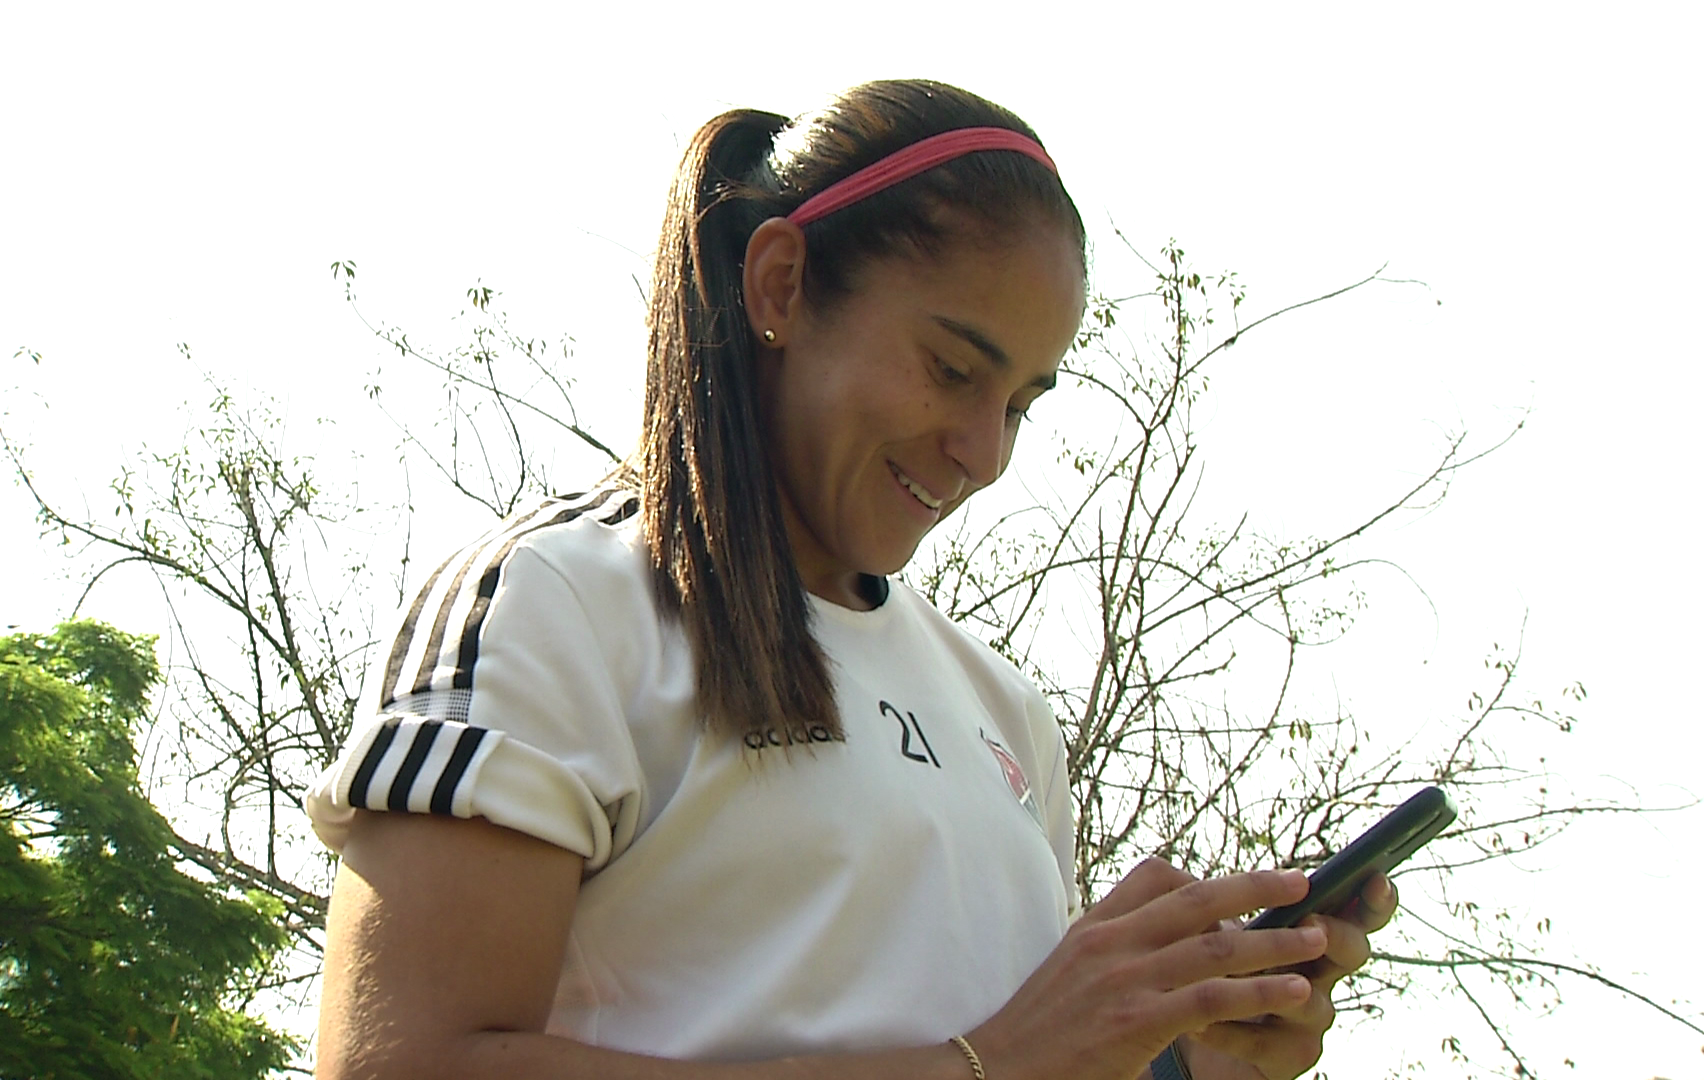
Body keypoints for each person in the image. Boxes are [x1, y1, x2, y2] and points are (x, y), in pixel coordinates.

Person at [305, 79, 1397, 1080]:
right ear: (781, 284)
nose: (985, 449)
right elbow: (396, 1065)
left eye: (1019, 404)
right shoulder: (559, 600)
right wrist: (987, 1068)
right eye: (953, 370)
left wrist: (1187, 1058)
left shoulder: (1002, 710)